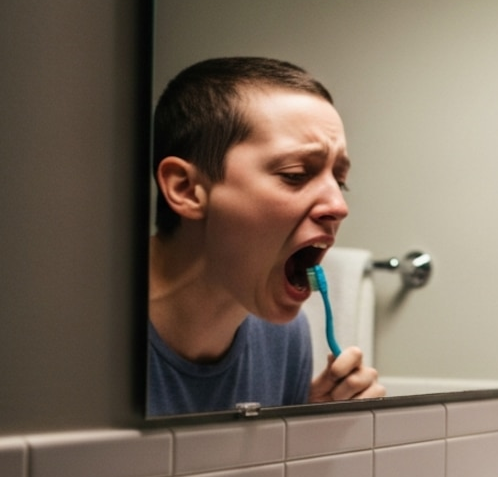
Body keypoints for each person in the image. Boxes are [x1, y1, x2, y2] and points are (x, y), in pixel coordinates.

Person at [147, 57, 385, 417]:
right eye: (295, 174)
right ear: (187, 188)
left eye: (340, 181)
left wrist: (303, 436)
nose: (338, 206)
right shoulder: (79, 332)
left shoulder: (284, 339)